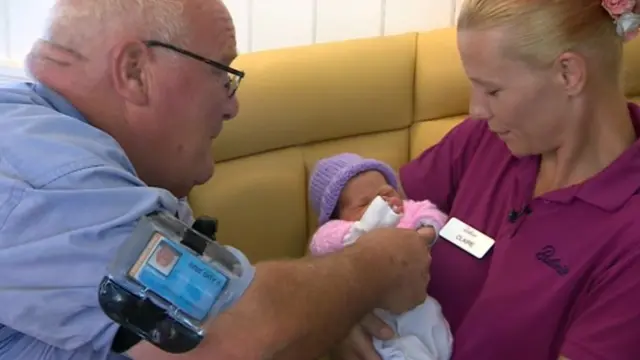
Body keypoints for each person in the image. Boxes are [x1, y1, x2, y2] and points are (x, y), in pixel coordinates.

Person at [0, 1, 435, 359]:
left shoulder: (55, 143)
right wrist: (375, 269)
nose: (233, 108)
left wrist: (324, 311)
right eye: (222, 75)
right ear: (134, 72)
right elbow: (228, 336)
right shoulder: (48, 178)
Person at [334, 0, 640, 359]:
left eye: (492, 90)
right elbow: (372, 228)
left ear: (568, 74)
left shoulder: (630, 239)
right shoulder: (487, 139)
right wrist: (341, 311)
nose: (476, 109)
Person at [307, 153, 453, 360]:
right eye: (365, 203)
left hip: (420, 304)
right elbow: (320, 244)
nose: (381, 203)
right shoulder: (340, 229)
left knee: (438, 337)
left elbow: (431, 213)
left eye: (386, 192)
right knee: (392, 348)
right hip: (377, 312)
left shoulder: (407, 212)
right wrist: (363, 230)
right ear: (338, 215)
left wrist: (426, 232)